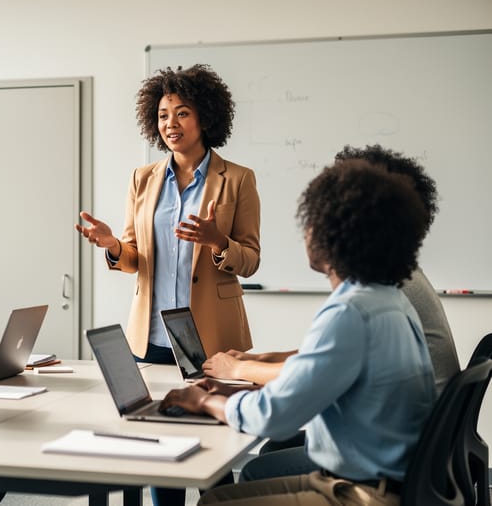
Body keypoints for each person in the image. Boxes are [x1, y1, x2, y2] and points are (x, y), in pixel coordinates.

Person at [159, 159, 437, 505]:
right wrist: (228, 393)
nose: (306, 233)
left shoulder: (350, 311)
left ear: (335, 234)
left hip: (360, 494)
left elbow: (275, 418)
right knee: (222, 495)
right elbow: (308, 378)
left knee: (215, 502)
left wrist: (204, 401)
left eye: (312, 223)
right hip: (378, 480)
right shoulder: (387, 299)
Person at [75, 65, 261, 364]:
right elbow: (135, 258)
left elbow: (251, 260)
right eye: (163, 115)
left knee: (210, 409)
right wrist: (112, 245)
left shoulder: (238, 179)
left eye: (182, 113)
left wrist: (218, 242)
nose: (171, 123)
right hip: (152, 334)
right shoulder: (142, 178)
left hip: (212, 335)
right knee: (145, 409)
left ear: (206, 117)